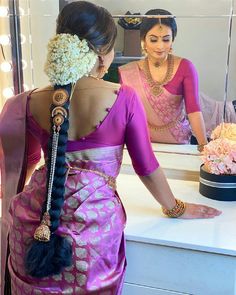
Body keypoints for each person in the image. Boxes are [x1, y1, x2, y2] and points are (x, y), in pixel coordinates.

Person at [0, 2, 221, 294]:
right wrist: (175, 207)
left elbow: (19, 171)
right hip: (94, 229)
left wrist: (11, 221)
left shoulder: (23, 102)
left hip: (33, 226)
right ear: (104, 55)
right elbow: (146, 166)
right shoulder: (124, 98)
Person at [119, 9, 236, 151]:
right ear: (143, 40)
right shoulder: (128, 72)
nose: (160, 46)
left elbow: (193, 111)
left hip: (178, 143)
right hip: (141, 144)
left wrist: (205, 148)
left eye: (166, 39)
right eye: (154, 39)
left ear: (173, 39)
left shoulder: (185, 67)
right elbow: (123, 115)